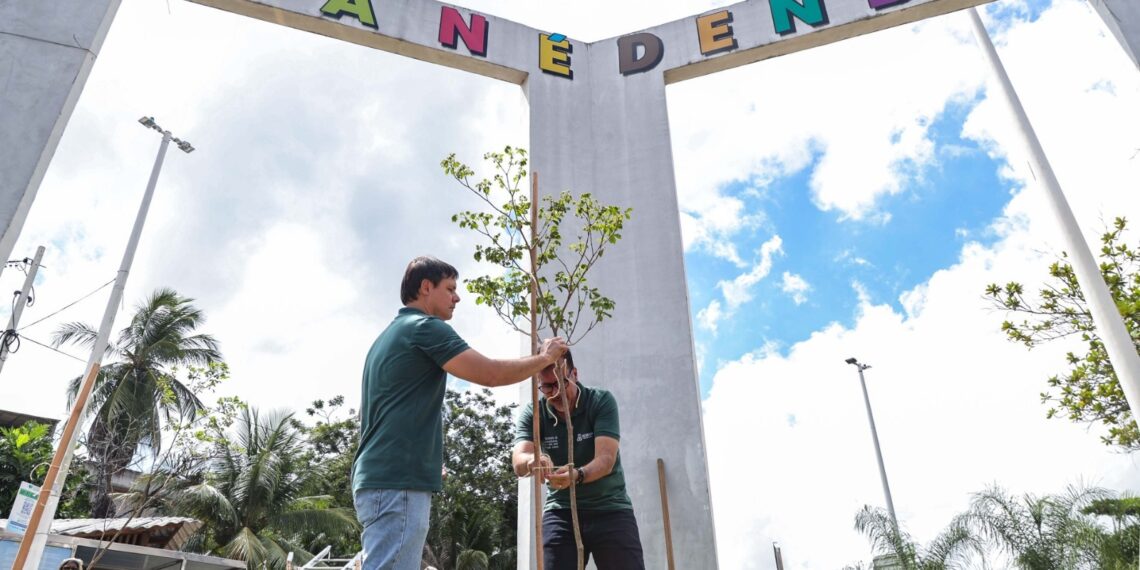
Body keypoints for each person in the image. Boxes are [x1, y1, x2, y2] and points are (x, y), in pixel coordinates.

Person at [353, 256, 568, 570]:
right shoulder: (424, 328)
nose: (457, 297)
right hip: (398, 480)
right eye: (450, 288)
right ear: (426, 288)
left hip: (380, 478)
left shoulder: (388, 337)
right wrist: (544, 358)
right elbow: (491, 374)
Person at [511, 350, 645, 569]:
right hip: (560, 510)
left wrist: (578, 475)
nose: (555, 393)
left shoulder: (601, 401)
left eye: (561, 383)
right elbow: (519, 460)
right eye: (546, 387)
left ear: (574, 373)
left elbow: (606, 458)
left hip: (610, 507)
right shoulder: (534, 413)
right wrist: (532, 461)